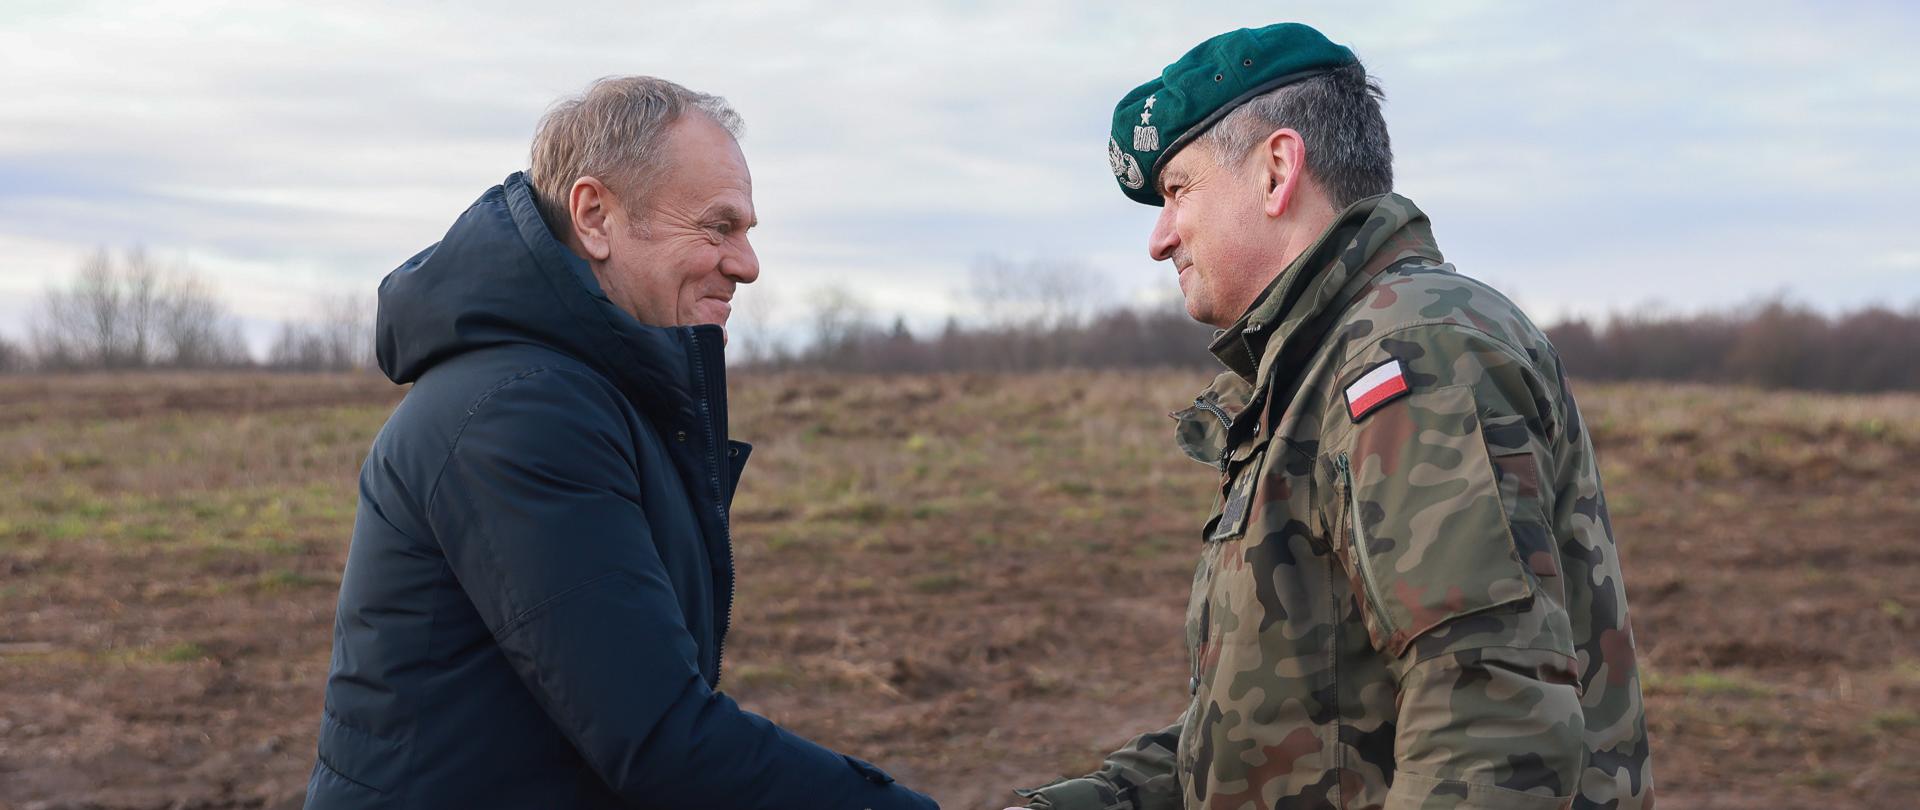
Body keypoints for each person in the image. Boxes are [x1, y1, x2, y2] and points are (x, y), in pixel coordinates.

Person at [1013, 24, 1652, 810]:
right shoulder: (1322, 366)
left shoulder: (1407, 355)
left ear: (1276, 171)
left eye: (1178, 191)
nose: (1159, 239)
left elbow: (1488, 724)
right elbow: (1281, 732)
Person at [304, 76, 937, 810]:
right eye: (717, 227)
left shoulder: (598, 395)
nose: (747, 264)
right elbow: (661, 741)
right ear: (595, 216)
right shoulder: (523, 412)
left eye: (746, 231)